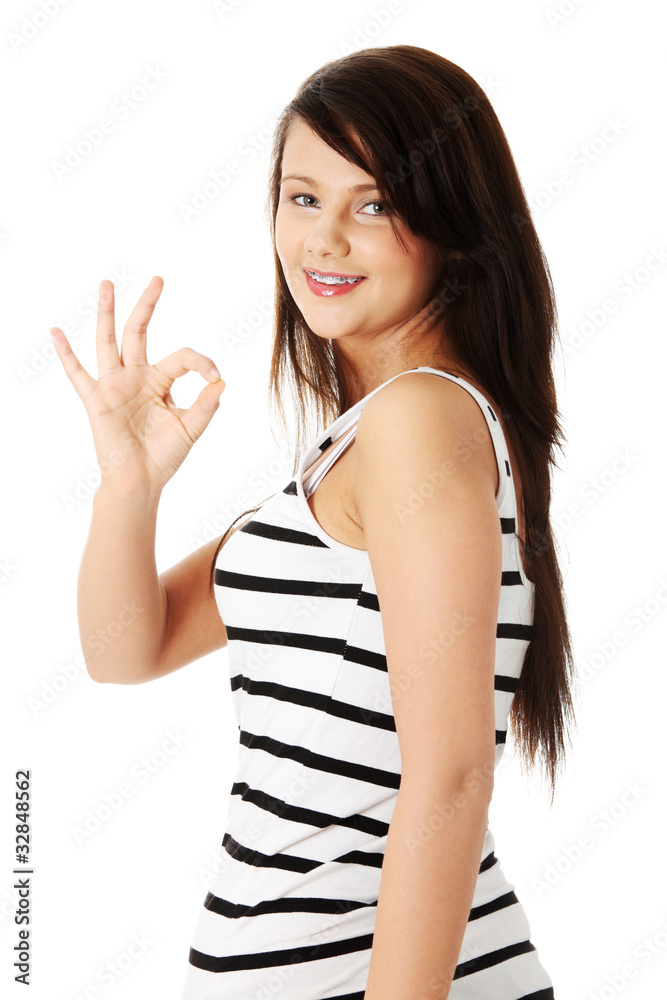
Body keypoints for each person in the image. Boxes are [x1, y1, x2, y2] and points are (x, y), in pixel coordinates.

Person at [50, 44, 575, 1000]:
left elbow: (452, 776)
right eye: (302, 198)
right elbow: (126, 649)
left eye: (372, 204)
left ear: (454, 225)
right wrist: (129, 485)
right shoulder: (356, 444)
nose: (324, 239)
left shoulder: (419, 420)